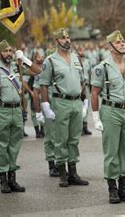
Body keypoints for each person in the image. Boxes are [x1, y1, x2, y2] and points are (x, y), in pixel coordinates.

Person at [0, 39, 41, 193]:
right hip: (1, 110)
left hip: (16, 110)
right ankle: (3, 180)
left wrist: (25, 59)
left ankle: (12, 178)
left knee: (15, 144)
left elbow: (38, 70)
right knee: (2, 146)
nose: (9, 53)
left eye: (10, 51)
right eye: (5, 51)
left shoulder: (17, 67)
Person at [90, 30, 125, 203]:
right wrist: (96, 117)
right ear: (110, 47)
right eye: (118, 43)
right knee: (111, 150)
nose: (122, 44)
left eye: (123, 41)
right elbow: (94, 93)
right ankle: (112, 188)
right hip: (111, 110)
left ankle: (124, 188)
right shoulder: (102, 67)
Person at [39, 28, 89, 188]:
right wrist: (46, 105)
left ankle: (73, 172)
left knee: (74, 139)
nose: (67, 40)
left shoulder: (76, 58)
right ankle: (62, 173)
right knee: (61, 140)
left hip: (76, 102)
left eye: (68, 37)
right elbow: (44, 84)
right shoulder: (50, 61)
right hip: (60, 102)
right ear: (56, 41)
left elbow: (83, 80)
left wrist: (84, 100)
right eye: (62, 38)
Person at [32, 46, 59, 177]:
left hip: (62, 107)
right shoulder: (44, 71)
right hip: (50, 107)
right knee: (50, 137)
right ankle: (51, 164)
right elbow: (36, 93)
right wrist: (39, 112)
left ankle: (61, 162)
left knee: (62, 137)